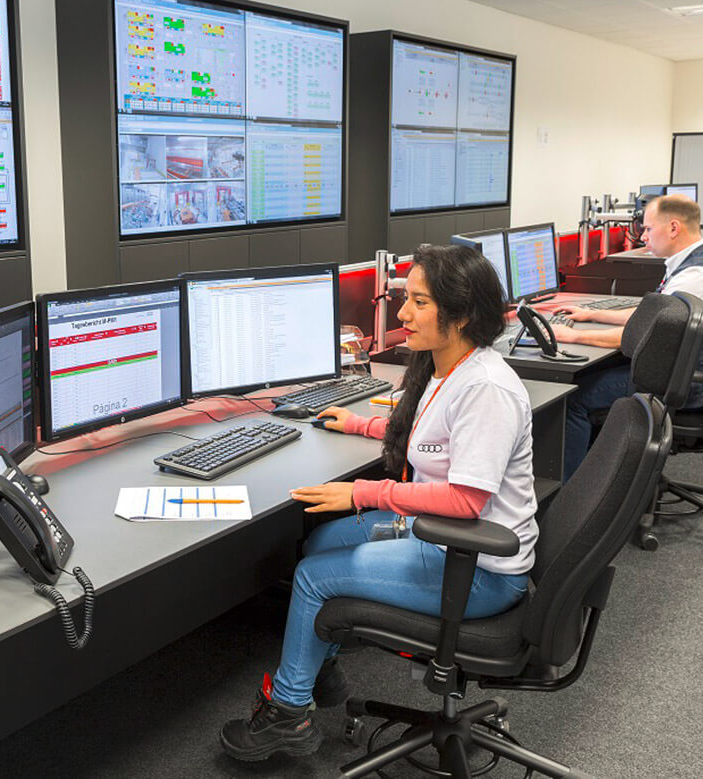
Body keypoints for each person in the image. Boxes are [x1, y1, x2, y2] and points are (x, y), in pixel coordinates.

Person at [219, 244, 538, 762]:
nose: (404, 315)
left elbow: (465, 499)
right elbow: (430, 438)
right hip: (440, 537)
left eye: (418, 302)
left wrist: (362, 492)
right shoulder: (450, 366)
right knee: (322, 539)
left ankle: (288, 712)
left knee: (312, 577)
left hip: (478, 568)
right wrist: (362, 424)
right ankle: (316, 664)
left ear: (459, 315)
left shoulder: (486, 389)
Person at [549, 195, 703, 482]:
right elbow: (650, 313)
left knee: (573, 398)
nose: (644, 236)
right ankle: (604, 472)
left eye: (649, 229)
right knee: (587, 373)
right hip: (684, 368)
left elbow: (643, 335)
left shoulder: (695, 276)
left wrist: (573, 335)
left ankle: (573, 491)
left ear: (673, 228)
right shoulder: (691, 264)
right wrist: (590, 314)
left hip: (682, 381)